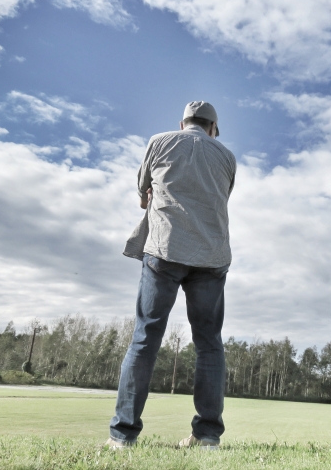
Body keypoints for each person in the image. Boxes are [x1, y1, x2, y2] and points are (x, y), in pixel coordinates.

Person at [107, 101, 236, 450]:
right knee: (209, 344)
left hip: (164, 250)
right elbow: (219, 197)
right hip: (211, 257)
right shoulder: (227, 156)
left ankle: (123, 436)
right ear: (213, 128)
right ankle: (207, 436)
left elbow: (143, 194)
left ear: (183, 123)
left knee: (146, 337)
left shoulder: (159, 141)